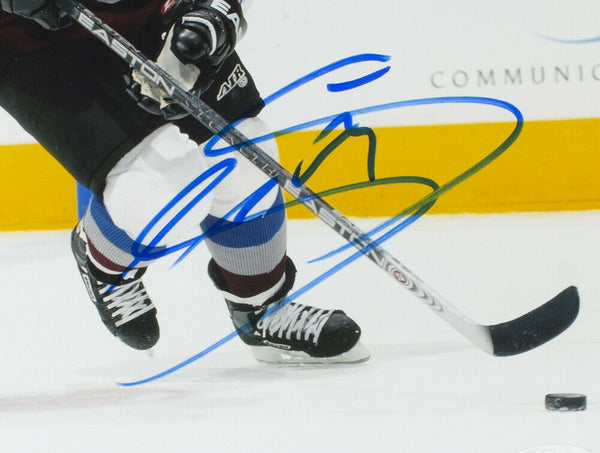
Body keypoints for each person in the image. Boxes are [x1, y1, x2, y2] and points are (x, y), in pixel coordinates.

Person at [0, 0, 369, 363]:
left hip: (152, 17)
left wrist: (214, 13)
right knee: (163, 190)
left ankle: (261, 307)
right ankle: (103, 260)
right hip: (34, 48)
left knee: (244, 156)